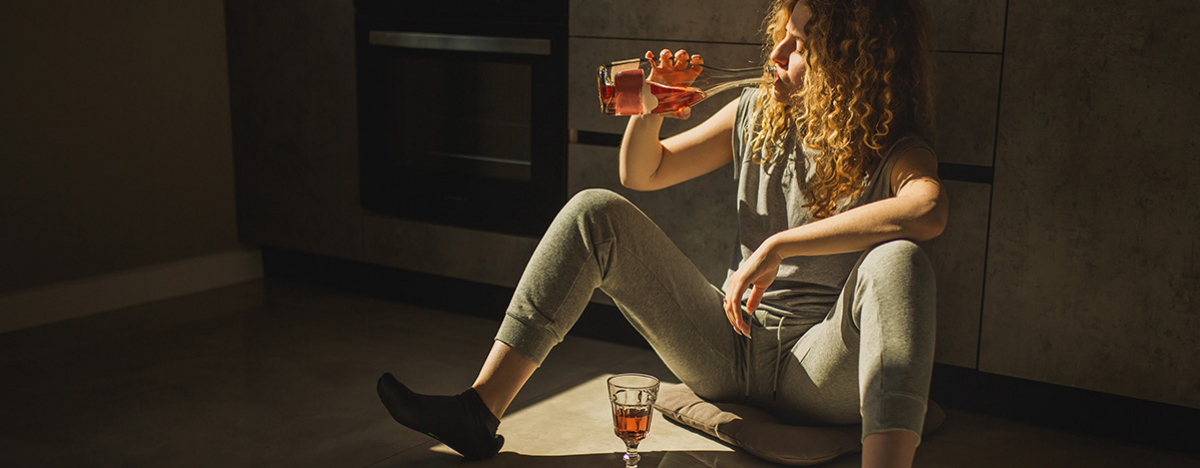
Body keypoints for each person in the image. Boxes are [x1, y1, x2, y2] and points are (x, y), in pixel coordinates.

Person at [376, 0, 946, 467]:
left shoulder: (890, 146)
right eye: (784, 34)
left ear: (849, 62)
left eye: (802, 46)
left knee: (899, 260)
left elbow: (928, 209)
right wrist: (649, 109)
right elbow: (642, 173)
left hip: (818, 371)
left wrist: (781, 245)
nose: (778, 52)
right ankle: (478, 412)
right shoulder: (754, 114)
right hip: (728, 348)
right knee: (594, 211)